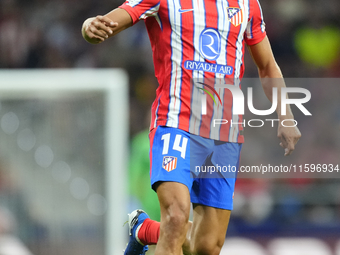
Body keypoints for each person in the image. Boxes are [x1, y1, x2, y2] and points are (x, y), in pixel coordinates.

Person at [81, 0, 301, 254]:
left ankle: (144, 229)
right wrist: (90, 27)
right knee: (176, 217)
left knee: (206, 247)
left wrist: (286, 116)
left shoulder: (247, 4)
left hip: (223, 136)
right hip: (176, 123)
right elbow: (105, 24)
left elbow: (267, 66)